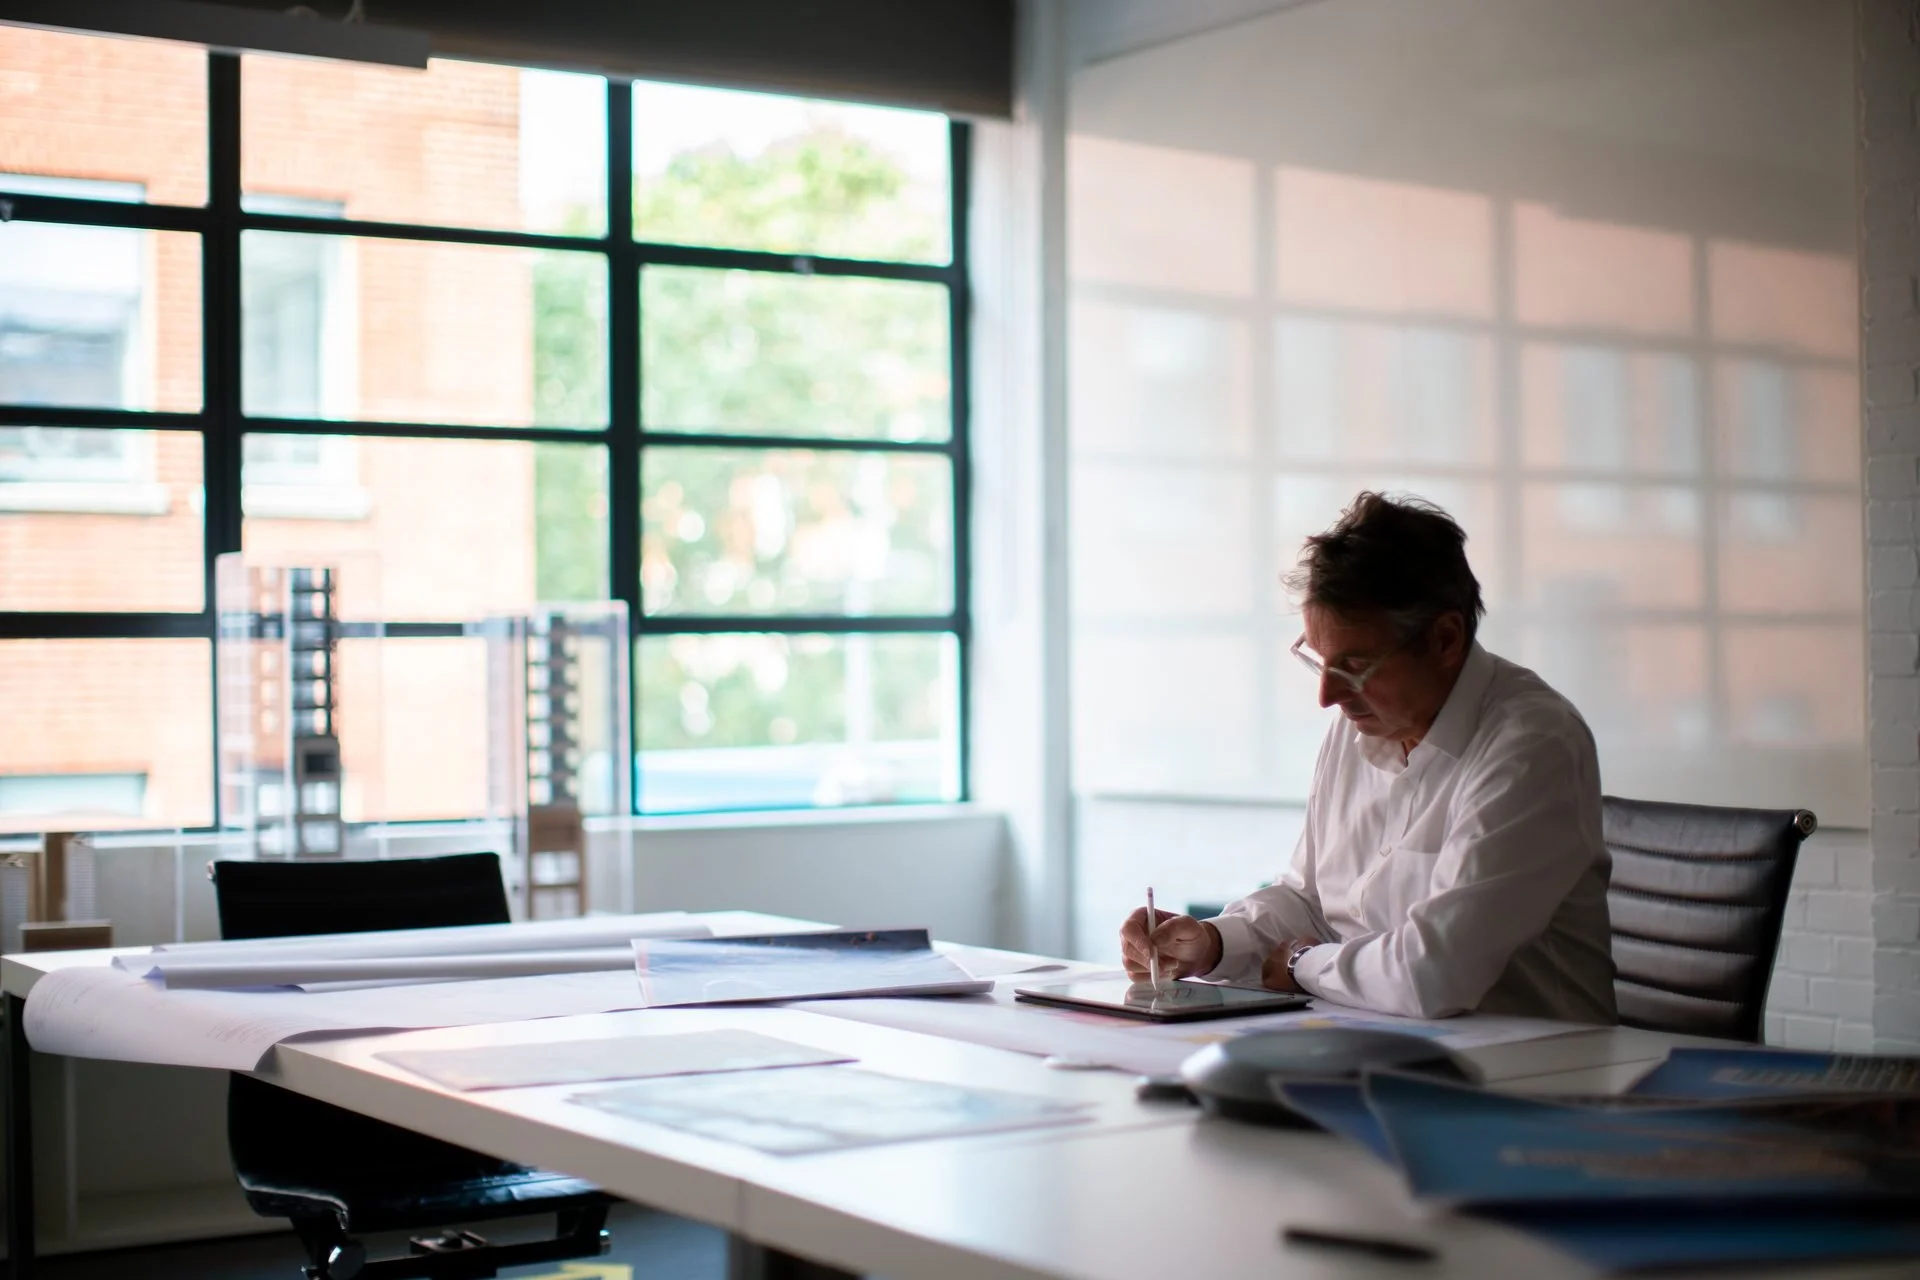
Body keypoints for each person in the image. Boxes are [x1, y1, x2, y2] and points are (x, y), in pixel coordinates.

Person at [1120, 492, 1616, 1023]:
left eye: (1355, 666)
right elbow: (1310, 899)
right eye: (1319, 660)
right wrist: (1213, 943)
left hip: (1535, 1060)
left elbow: (1434, 972)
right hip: (1374, 1040)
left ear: (1445, 640)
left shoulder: (1532, 744)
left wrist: (1303, 963)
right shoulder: (1359, 725)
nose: (1327, 696)